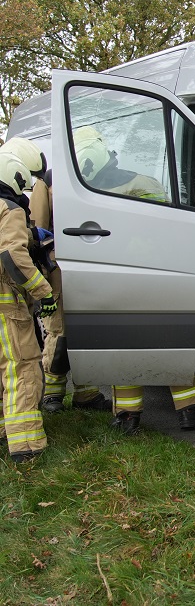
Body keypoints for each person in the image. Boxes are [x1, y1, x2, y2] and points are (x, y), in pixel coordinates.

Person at [70, 126, 195, 433]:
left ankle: (127, 416)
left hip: (113, 282)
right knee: (169, 342)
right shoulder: (143, 182)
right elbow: (168, 230)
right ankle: (191, 410)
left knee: (124, 345)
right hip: (153, 277)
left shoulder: (87, 196)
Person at [30, 169, 112, 413]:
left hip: (91, 261)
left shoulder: (98, 177)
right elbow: (39, 229)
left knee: (87, 329)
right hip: (60, 265)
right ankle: (53, 394)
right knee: (60, 330)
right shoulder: (49, 180)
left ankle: (86, 393)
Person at [0, 138, 58, 463]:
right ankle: (26, 448)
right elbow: (10, 254)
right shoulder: (8, 208)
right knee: (22, 369)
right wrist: (42, 289)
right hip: (6, 307)